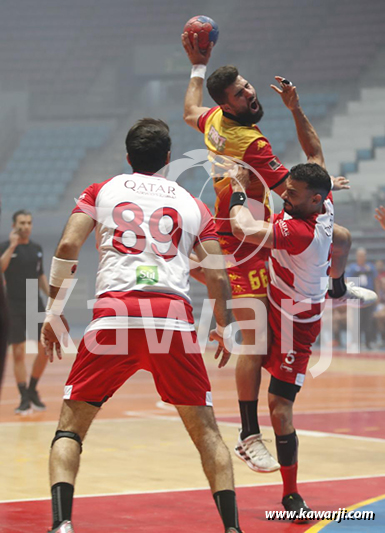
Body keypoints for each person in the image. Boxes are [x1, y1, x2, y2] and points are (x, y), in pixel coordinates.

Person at [181, 33, 375, 473]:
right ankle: (249, 435)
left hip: (242, 226)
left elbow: (191, 109)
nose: (250, 93)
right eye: (240, 93)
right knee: (255, 339)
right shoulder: (252, 145)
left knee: (339, 235)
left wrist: (197, 65)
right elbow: (287, 186)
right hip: (241, 234)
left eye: (248, 85)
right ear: (228, 104)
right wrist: (318, 184)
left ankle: (336, 288)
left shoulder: (213, 120)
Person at [41, 118, 243, 533]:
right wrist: (223, 326)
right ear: (168, 159)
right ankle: (233, 528)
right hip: (171, 318)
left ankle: (62, 524)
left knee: (71, 427)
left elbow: (66, 247)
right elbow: (218, 276)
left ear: (128, 157)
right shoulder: (194, 204)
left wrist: (53, 309)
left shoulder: (102, 190)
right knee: (207, 432)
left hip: (115, 315)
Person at [227, 85, 339, 516]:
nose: (283, 197)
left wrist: (239, 189)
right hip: (279, 299)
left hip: (298, 320)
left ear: (313, 199)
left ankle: (291, 493)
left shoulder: (301, 230)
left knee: (281, 406)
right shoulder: (321, 200)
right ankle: (247, 433)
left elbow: (243, 229)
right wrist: (297, 109)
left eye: (289, 194)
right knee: (249, 346)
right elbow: (315, 151)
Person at [0, 210, 49, 414]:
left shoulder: (37, 249)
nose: (26, 226)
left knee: (45, 349)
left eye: (29, 222)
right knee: (18, 351)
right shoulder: (5, 247)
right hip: (13, 303)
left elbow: (40, 276)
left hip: (33, 300)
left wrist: (54, 299)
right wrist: (12, 246)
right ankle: (23, 397)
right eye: (21, 222)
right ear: (14, 225)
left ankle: (31, 390)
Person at [346, 248, 378, 349]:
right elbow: (348, 282)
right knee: (356, 321)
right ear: (356, 257)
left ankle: (369, 342)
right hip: (357, 298)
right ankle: (356, 342)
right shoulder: (352, 268)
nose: (361, 258)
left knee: (368, 320)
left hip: (368, 298)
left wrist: (376, 295)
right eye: (359, 256)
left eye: (363, 256)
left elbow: (376, 281)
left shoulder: (370, 267)